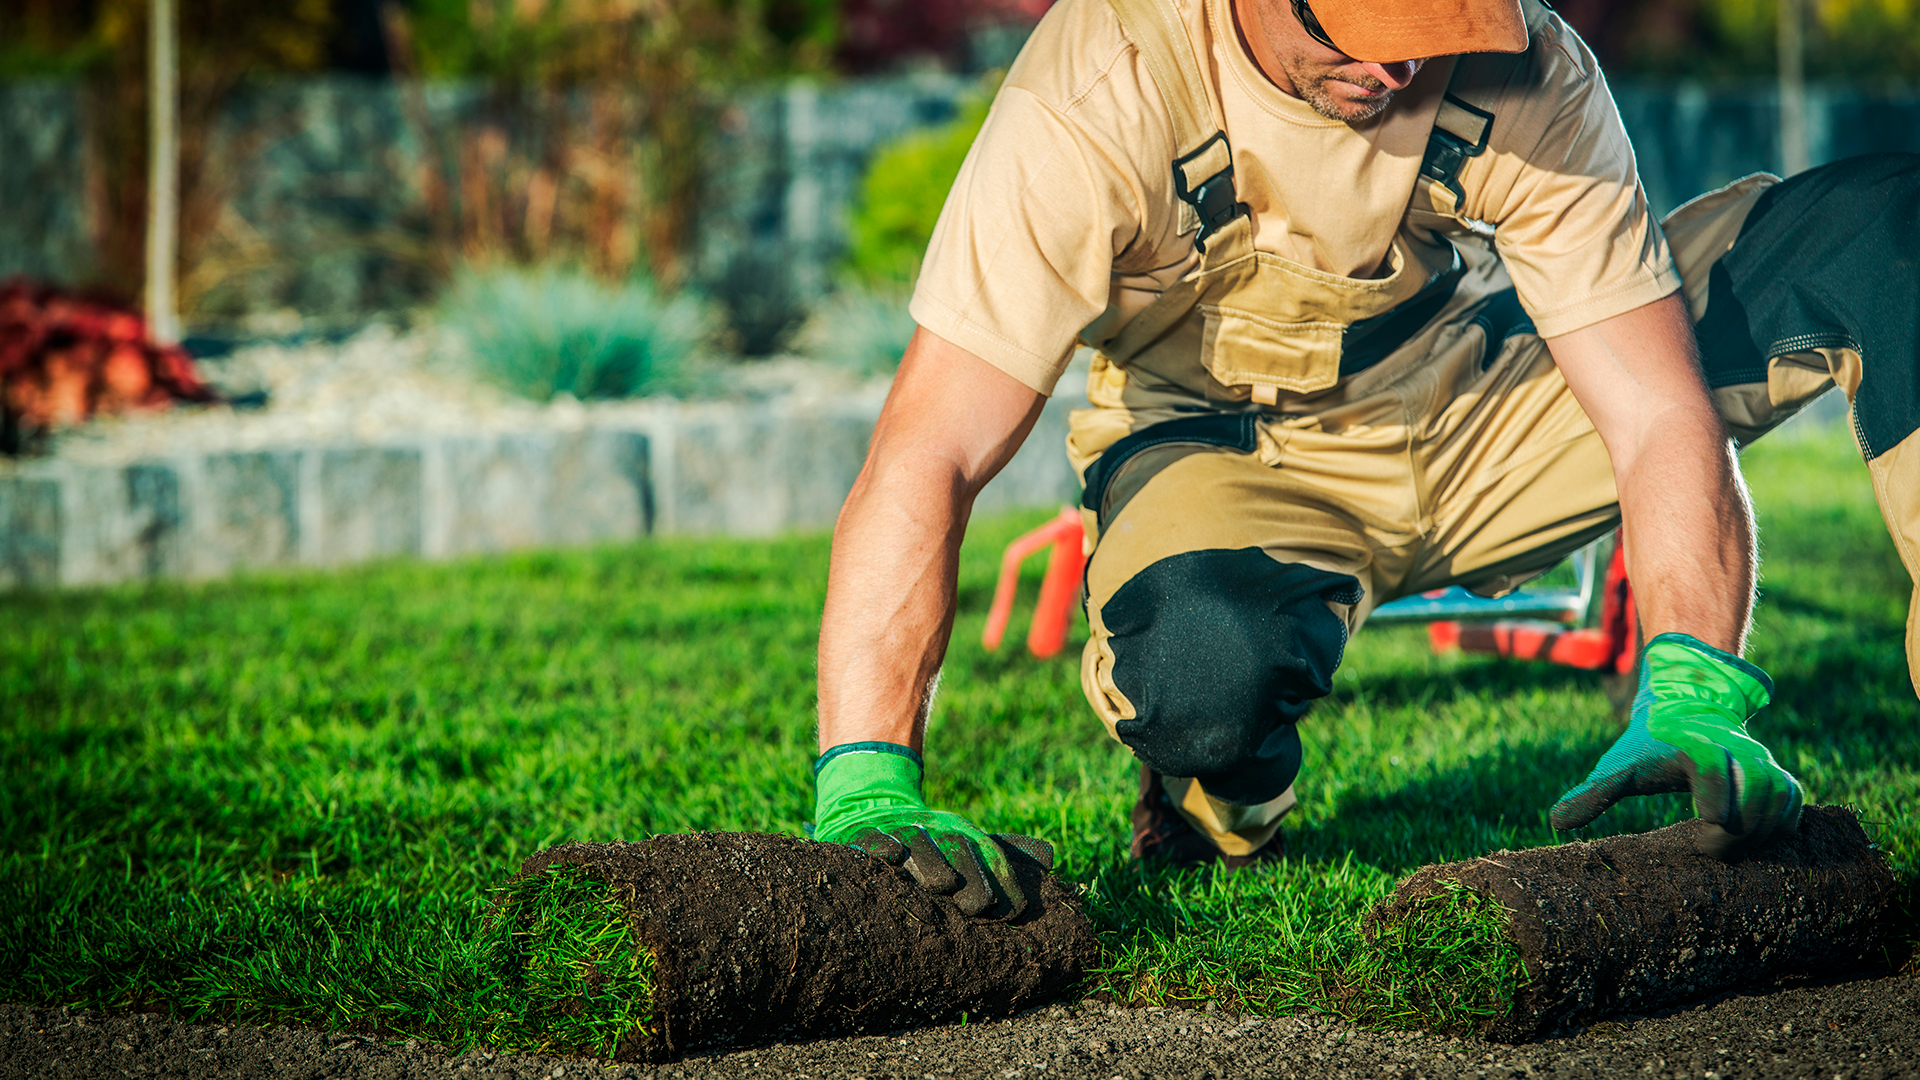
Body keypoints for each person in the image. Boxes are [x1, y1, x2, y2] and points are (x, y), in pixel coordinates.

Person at [806, 0, 1920, 916]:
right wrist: (866, 774)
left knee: (1881, 233)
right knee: (1202, 680)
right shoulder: (1101, 84)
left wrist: (1692, 685)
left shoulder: (1530, 66)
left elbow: (1653, 409)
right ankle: (1217, 793)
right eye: (1354, 23)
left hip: (1475, 398)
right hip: (1222, 445)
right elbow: (933, 447)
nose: (1392, 65)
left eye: (1430, 23)